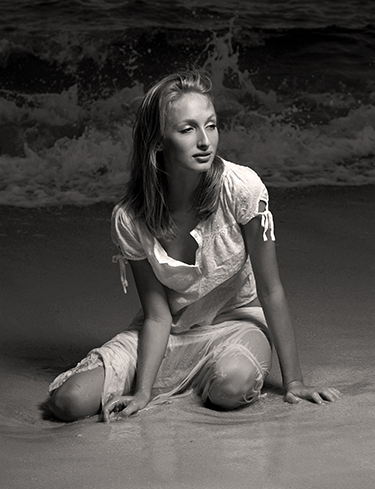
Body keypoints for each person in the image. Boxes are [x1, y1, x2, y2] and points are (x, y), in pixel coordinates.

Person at [48, 70, 341, 422]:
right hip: (170, 331)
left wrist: (294, 381)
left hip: (238, 322)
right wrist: (142, 393)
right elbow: (157, 316)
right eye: (188, 129)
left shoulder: (242, 189)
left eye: (212, 125)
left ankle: (205, 376)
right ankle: (178, 382)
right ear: (158, 142)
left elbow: (270, 289)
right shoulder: (130, 218)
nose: (205, 141)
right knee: (69, 402)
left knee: (231, 388)